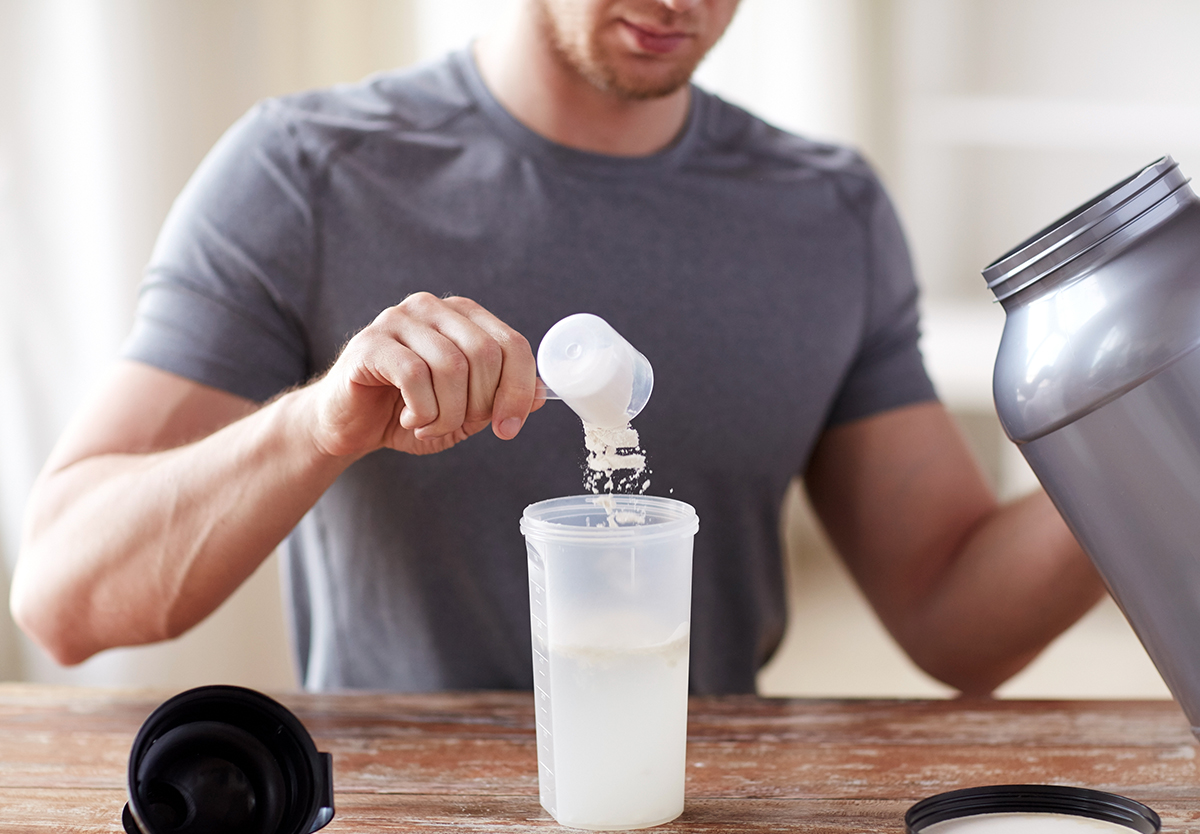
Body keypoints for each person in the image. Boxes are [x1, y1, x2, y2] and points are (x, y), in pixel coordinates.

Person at [9, 0, 1105, 694]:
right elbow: (64, 598)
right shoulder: (306, 175)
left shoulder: (827, 212)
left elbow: (956, 619)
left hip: (708, 827)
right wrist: (317, 422)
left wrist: (1145, 431)